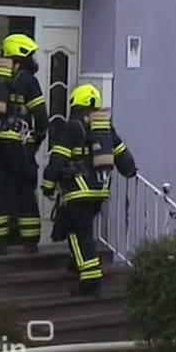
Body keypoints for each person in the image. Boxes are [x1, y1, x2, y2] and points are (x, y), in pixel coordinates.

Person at [42, 84, 136, 296]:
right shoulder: (106, 129)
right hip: (99, 191)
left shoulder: (71, 128)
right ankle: (77, 264)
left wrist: (48, 185)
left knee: (78, 233)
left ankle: (90, 280)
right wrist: (130, 172)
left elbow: (57, 160)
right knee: (80, 227)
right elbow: (126, 161)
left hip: (77, 191)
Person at [0, 33, 47, 254]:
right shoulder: (28, 80)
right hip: (16, 145)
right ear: (22, 53)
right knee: (25, 189)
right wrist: (35, 140)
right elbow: (42, 118)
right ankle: (30, 243)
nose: (34, 60)